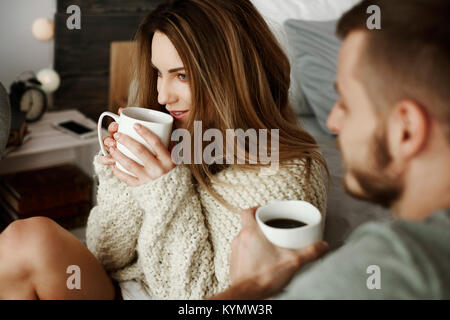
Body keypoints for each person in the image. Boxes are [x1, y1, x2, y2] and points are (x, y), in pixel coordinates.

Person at [0, 0, 327, 299]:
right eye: (158, 73)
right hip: (125, 286)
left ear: (231, 76)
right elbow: (105, 255)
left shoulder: (279, 172)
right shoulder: (183, 133)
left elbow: (202, 300)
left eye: (181, 75)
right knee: (27, 237)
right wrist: (124, 174)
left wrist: (164, 189)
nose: (162, 96)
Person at [211, 0, 450, 300]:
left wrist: (248, 287)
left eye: (346, 104)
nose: (333, 121)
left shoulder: (388, 268)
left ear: (407, 130)